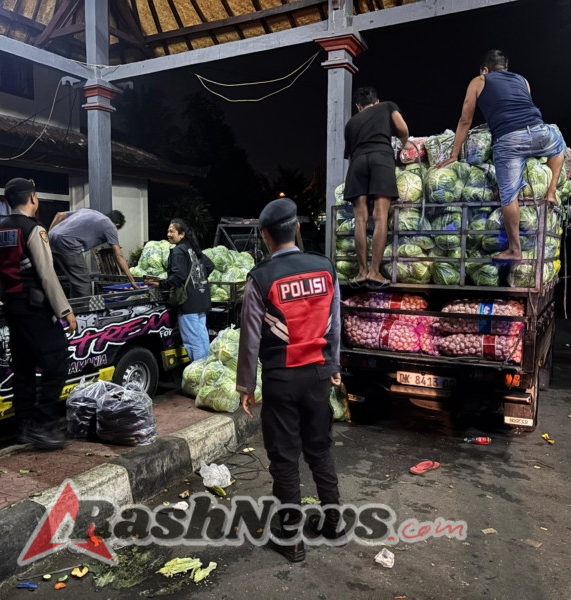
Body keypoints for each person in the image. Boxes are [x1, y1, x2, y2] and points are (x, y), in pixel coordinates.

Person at [237, 198, 344, 563]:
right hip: (317, 375)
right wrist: (334, 366)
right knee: (319, 449)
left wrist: (246, 387)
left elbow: (250, 338)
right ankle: (334, 522)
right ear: (297, 227)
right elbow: (335, 323)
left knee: (284, 457)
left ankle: (292, 538)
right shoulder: (325, 268)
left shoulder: (261, 277)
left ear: (266, 236)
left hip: (282, 380)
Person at [438, 49, 565, 260]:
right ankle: (551, 192)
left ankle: (515, 250)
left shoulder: (479, 80)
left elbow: (465, 120)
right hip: (539, 131)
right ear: (505, 68)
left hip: (509, 139)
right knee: (559, 147)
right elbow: (524, 106)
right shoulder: (522, 80)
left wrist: (454, 154)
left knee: (509, 195)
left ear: (485, 69)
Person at [0, 178, 77, 450]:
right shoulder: (34, 229)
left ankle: (25, 424)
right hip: (34, 306)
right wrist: (65, 310)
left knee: (24, 367)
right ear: (32, 199)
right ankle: (43, 422)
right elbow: (46, 272)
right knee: (57, 360)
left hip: (12, 306)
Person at [344, 86, 413, 289]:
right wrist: (404, 142)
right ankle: (374, 272)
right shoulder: (387, 106)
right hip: (381, 158)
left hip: (357, 163)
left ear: (358, 106)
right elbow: (403, 129)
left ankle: (361, 272)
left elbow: (349, 156)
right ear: (376, 101)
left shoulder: (351, 123)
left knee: (360, 219)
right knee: (380, 215)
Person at [145, 219, 215, 362]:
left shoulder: (178, 251)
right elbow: (210, 266)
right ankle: (206, 368)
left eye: (172, 231)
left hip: (188, 302)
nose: (168, 234)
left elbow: (178, 276)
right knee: (202, 337)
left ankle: (198, 373)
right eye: (168, 231)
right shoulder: (193, 248)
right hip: (201, 300)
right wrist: (198, 280)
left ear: (181, 234)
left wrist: (161, 284)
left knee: (192, 341)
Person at [48, 207, 136, 297]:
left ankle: (71, 308)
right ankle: (84, 310)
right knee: (83, 283)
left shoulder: (88, 211)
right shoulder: (110, 226)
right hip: (68, 244)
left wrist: (48, 238)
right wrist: (132, 280)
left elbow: (60, 215)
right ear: (116, 224)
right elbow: (119, 256)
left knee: (70, 280)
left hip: (51, 240)